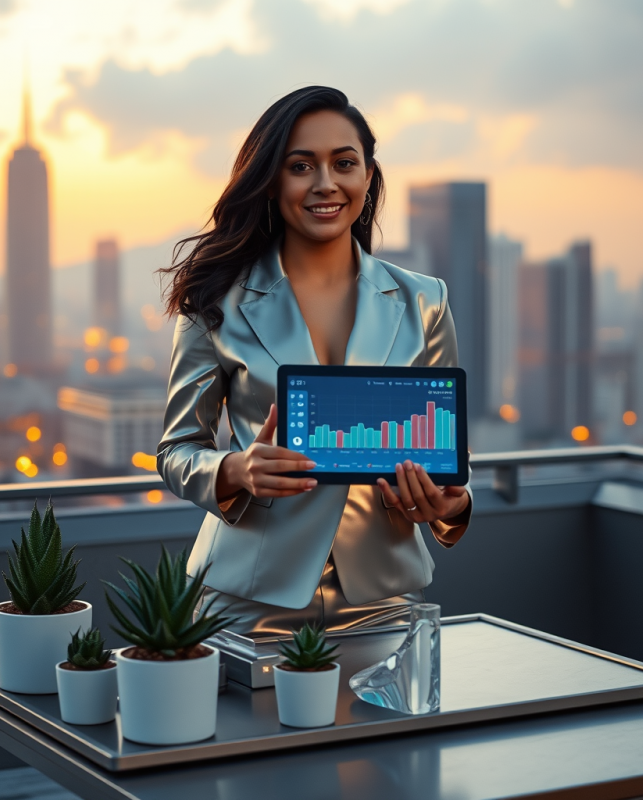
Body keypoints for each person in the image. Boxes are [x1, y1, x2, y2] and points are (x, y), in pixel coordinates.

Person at [157, 86, 471, 637]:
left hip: (386, 596)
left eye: (343, 163)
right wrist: (235, 469)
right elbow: (177, 450)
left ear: (368, 175)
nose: (325, 183)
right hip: (247, 597)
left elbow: (450, 454)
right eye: (301, 166)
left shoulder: (427, 301)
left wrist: (448, 502)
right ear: (272, 180)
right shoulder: (214, 301)